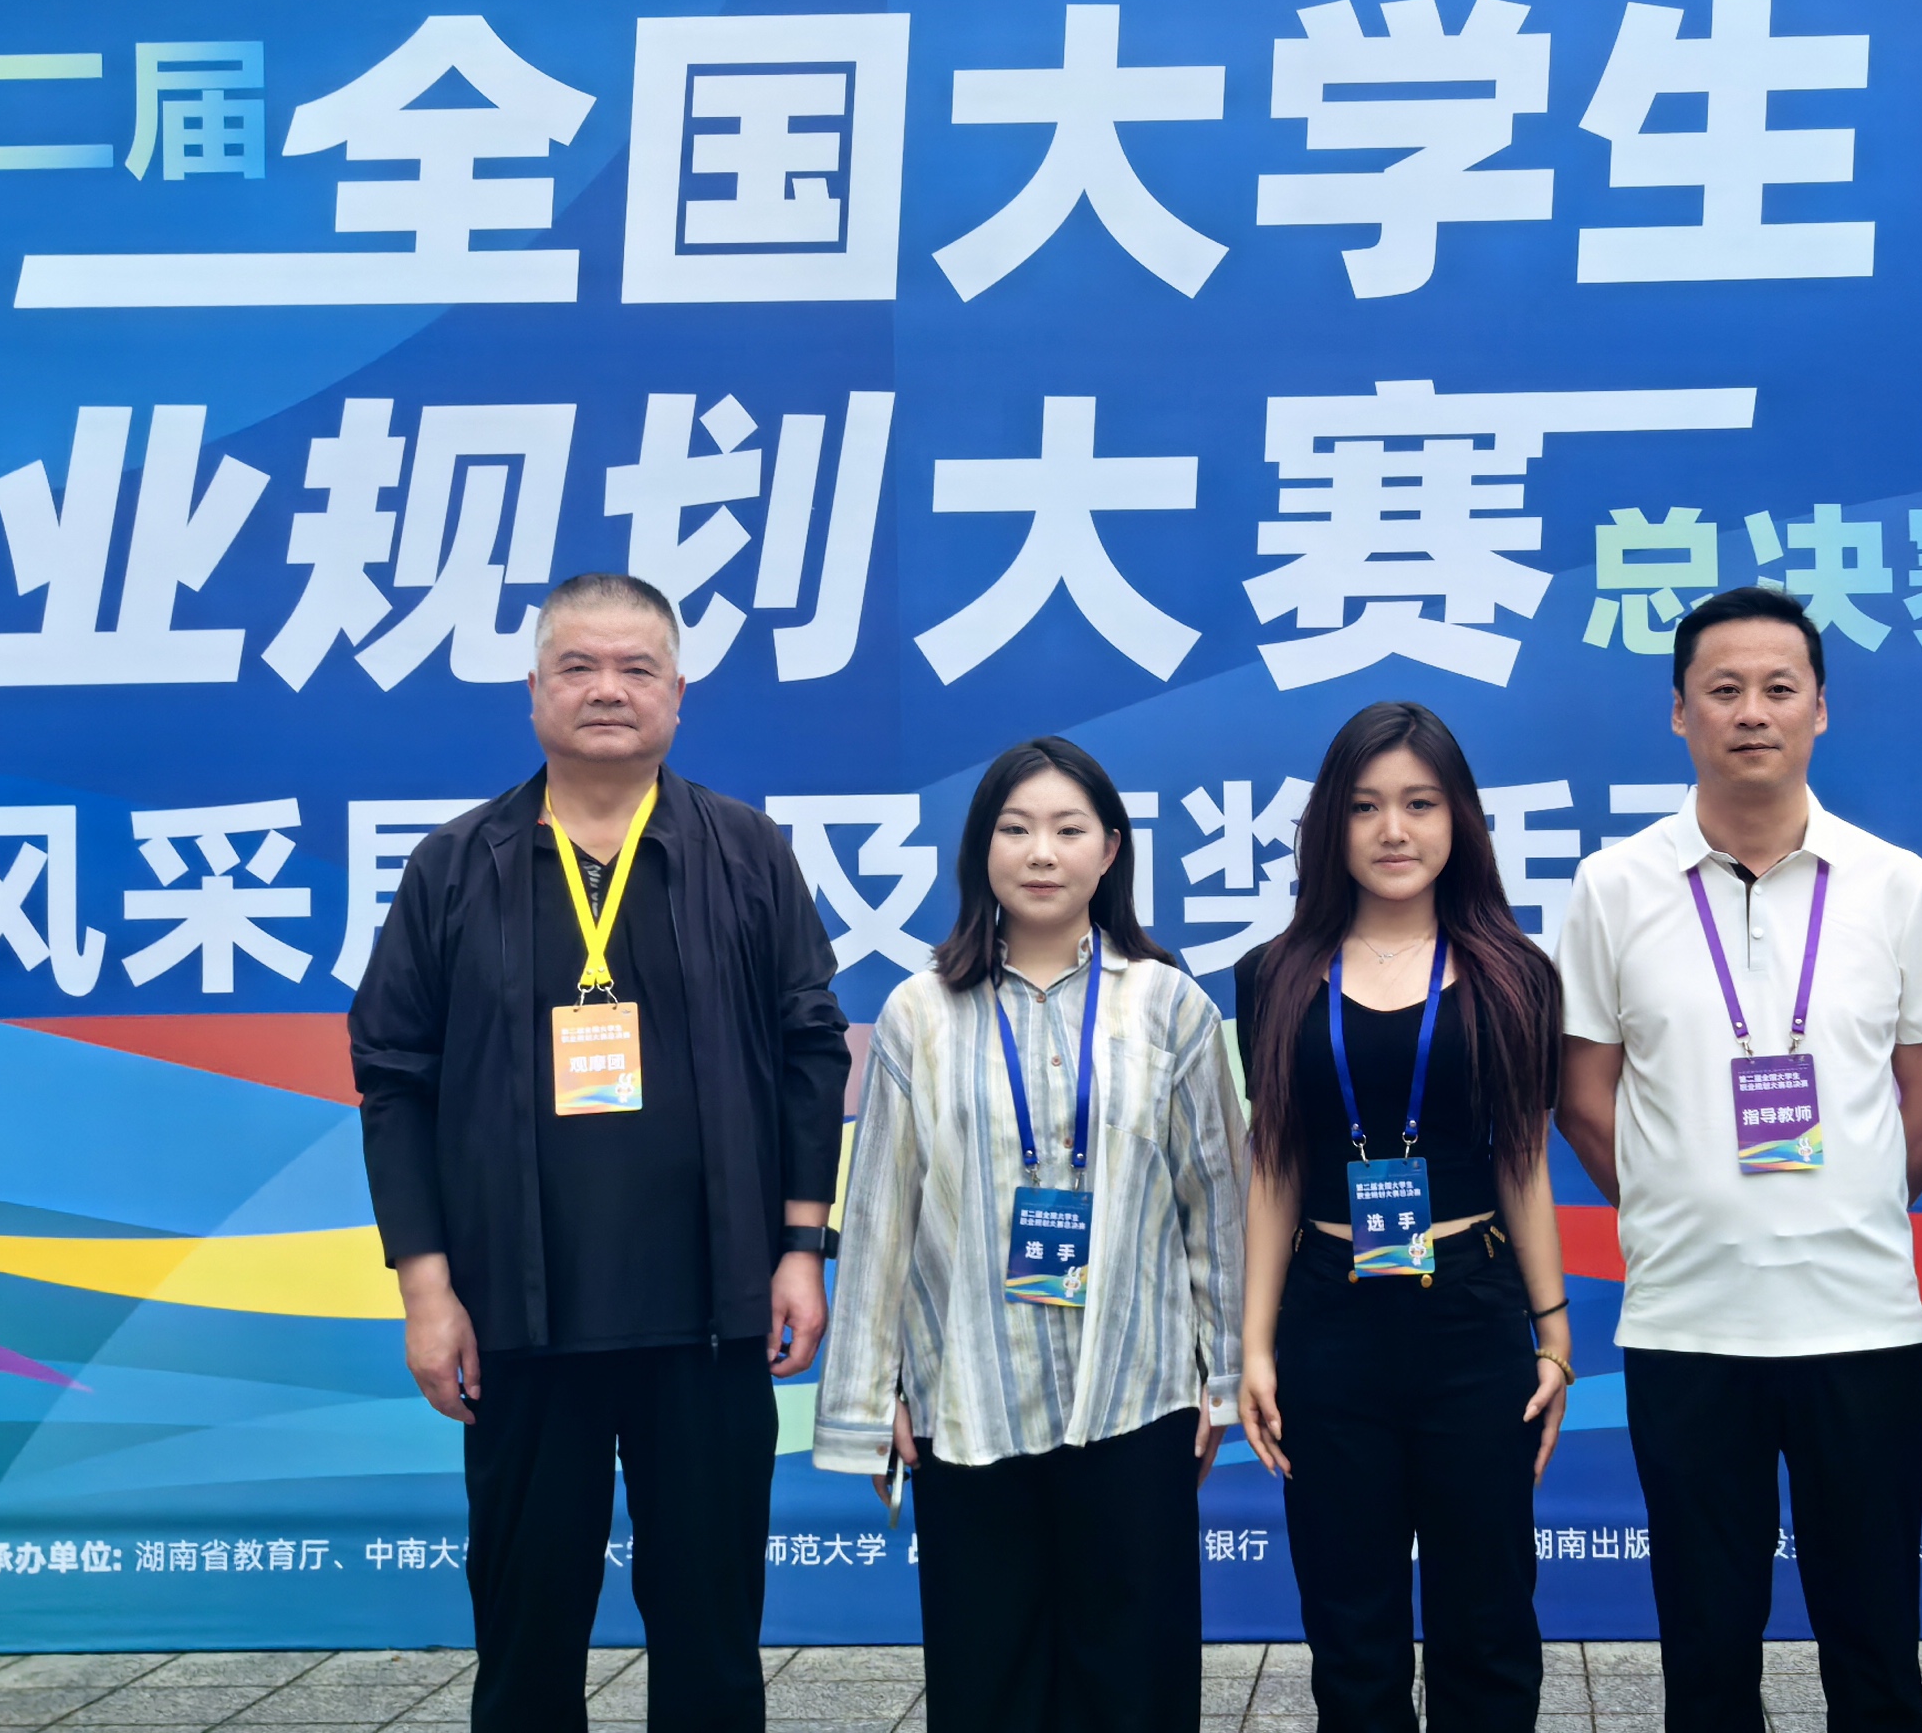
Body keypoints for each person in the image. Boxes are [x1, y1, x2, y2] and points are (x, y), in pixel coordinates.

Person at [351, 572, 852, 1733]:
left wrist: (800, 1248)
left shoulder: (745, 852)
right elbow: (395, 1079)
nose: (607, 689)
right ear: (534, 690)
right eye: (578, 666)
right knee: (526, 1629)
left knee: (712, 1631)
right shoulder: (454, 866)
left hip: (712, 1310)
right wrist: (427, 1291)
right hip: (519, 1318)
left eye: (636, 668)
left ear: (678, 693)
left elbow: (809, 1050)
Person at [1554, 586, 1922, 1733]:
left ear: (1820, 709)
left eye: (1778, 688)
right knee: (1705, 1642)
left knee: (1874, 1637)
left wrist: (1846, 1207)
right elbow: (1582, 1095)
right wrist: (1678, 1206)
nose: (1753, 711)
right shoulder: (1612, 885)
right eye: (1724, 689)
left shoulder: (1892, 881)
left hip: (1861, 1320)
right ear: (1678, 712)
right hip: (1688, 1323)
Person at [811, 735, 1245, 1733]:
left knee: (1133, 1683)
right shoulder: (920, 1011)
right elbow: (879, 1216)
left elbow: (1216, 1202)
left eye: (1067, 829)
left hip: (1137, 1393)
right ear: (981, 850)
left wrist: (1222, 1378)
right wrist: (873, 1396)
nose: (1041, 852)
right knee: (988, 1682)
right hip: (969, 1398)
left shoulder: (1169, 1005)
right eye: (1015, 829)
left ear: (1111, 849)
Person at [1231, 702, 1579, 1733]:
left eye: (1420, 804)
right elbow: (1274, 1167)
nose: (1394, 830)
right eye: (1365, 806)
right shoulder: (1272, 974)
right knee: (1351, 1628)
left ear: (1459, 818)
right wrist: (1254, 1346)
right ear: (1328, 826)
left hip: (1471, 1312)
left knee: (1488, 1621)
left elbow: (1523, 1162)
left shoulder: (1516, 973)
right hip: (1328, 1319)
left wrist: (1553, 1333)